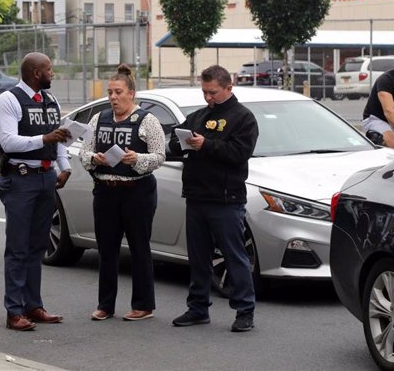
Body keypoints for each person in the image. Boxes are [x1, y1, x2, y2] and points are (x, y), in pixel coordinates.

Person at [169, 65, 259, 333]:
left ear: (228, 88)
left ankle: (245, 311)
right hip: (196, 196)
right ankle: (198, 308)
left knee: (235, 257)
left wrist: (205, 145)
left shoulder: (244, 118)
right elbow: (174, 144)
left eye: (213, 92)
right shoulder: (197, 117)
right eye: (205, 92)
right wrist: (181, 142)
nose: (208, 98)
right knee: (198, 257)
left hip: (226, 199)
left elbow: (239, 153)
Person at [0, 52, 72, 332]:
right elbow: (9, 142)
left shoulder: (51, 101)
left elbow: (60, 137)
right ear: (36, 73)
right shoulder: (9, 100)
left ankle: (33, 305)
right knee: (17, 247)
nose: (53, 74)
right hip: (21, 178)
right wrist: (44, 138)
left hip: (46, 177)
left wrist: (64, 166)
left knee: (38, 246)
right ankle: (14, 311)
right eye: (49, 70)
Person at [79, 64, 165, 322]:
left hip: (137, 191)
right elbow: (84, 153)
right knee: (106, 249)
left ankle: (143, 305)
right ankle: (105, 304)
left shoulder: (147, 121)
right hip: (106, 191)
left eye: (118, 92)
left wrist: (136, 158)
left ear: (132, 94)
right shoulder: (99, 119)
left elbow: (160, 155)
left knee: (139, 248)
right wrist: (95, 158)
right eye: (110, 92)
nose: (113, 97)